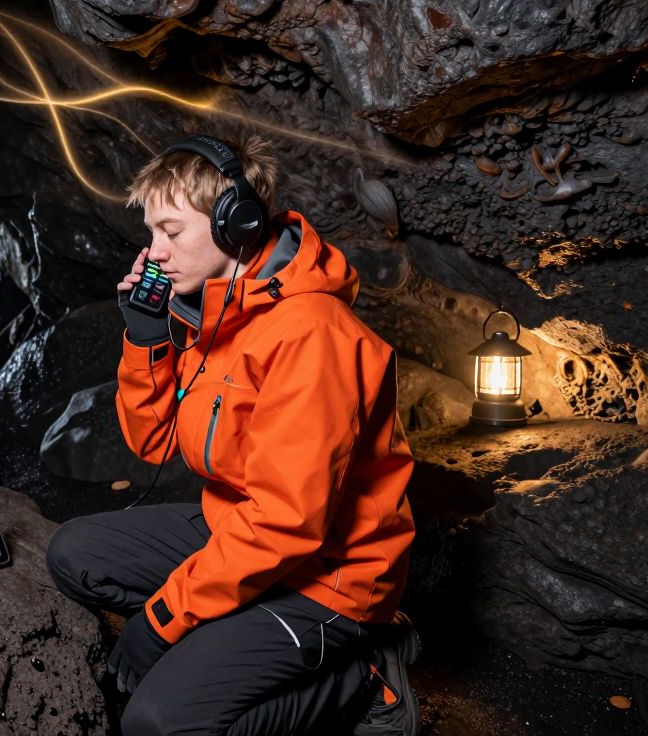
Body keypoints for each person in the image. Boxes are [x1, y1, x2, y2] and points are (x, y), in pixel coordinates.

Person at [45, 133, 420, 735]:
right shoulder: (217, 311)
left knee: (161, 723)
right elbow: (151, 443)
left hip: (329, 578)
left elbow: (288, 520)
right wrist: (145, 337)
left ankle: (364, 673)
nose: (155, 251)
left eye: (171, 231)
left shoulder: (312, 335)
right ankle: (229, 624)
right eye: (151, 233)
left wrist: (164, 617)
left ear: (234, 224)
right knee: (74, 556)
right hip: (240, 528)